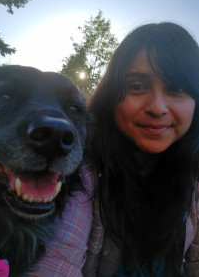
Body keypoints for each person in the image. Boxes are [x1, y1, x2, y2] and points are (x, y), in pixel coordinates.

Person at [82, 22, 199, 277]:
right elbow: (59, 256)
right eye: (136, 86)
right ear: (113, 96)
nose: (157, 108)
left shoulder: (194, 179)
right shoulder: (82, 173)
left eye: (177, 88)